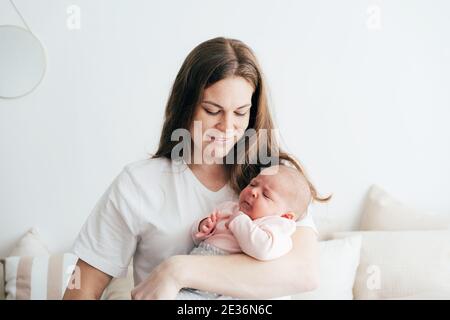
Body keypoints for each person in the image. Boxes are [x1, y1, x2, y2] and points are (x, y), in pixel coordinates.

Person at [63, 37, 330, 300]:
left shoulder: (276, 180)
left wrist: (177, 270)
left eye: (240, 113)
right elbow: (82, 288)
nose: (227, 128)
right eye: (212, 110)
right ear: (186, 107)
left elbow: (304, 273)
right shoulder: (139, 183)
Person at [177, 165, 312, 299]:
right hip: (195, 265)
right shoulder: (229, 207)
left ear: (285, 217)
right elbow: (196, 238)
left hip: (220, 283)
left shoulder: (275, 228)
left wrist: (239, 220)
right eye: (253, 184)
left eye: (266, 195)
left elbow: (262, 250)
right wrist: (204, 227)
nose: (253, 192)